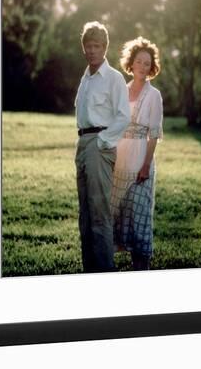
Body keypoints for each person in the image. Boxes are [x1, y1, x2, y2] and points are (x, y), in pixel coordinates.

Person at [74, 22, 131, 273]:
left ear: (105, 48)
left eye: (97, 46)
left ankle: (105, 272)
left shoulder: (113, 78)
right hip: (83, 143)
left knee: (99, 213)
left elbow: (123, 116)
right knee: (85, 214)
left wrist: (103, 142)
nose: (92, 50)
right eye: (88, 46)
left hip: (100, 144)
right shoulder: (86, 78)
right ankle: (90, 271)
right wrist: (87, 143)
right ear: (83, 48)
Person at [110, 36, 163, 271]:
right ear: (130, 63)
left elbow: (154, 134)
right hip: (119, 161)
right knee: (117, 215)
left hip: (141, 161)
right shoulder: (121, 89)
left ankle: (142, 270)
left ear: (151, 68)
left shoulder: (154, 96)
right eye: (139, 61)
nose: (142, 66)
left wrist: (145, 165)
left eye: (147, 63)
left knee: (139, 219)